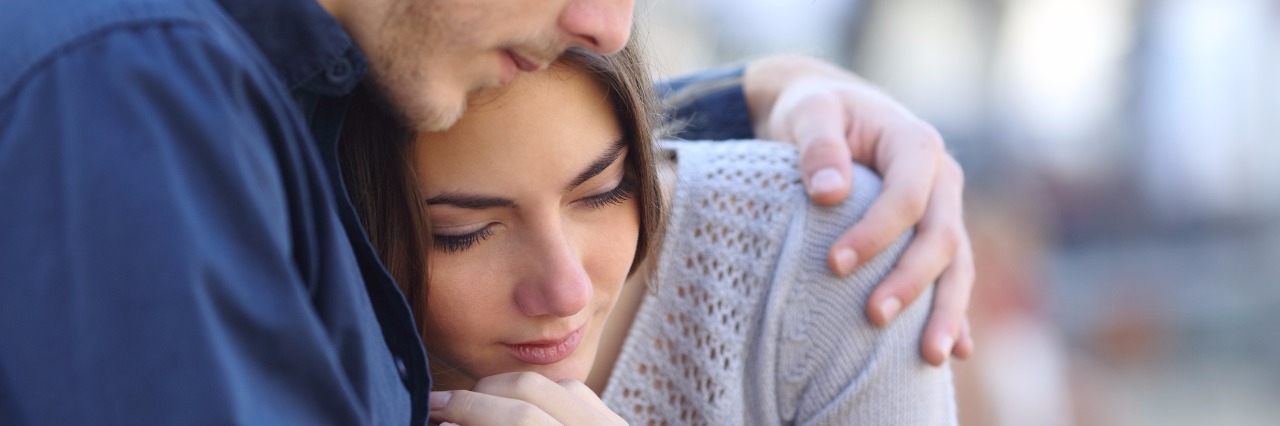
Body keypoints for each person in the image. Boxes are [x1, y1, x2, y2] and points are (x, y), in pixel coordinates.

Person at [0, 0, 970, 423]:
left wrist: (755, 103)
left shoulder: (227, 83)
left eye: (603, 187)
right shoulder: (129, 96)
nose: (607, 23)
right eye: (461, 230)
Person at [339, 41, 956, 424]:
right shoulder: (294, 322)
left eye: (604, 189)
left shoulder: (830, 252)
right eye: (463, 233)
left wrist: (762, 87)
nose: (567, 292)